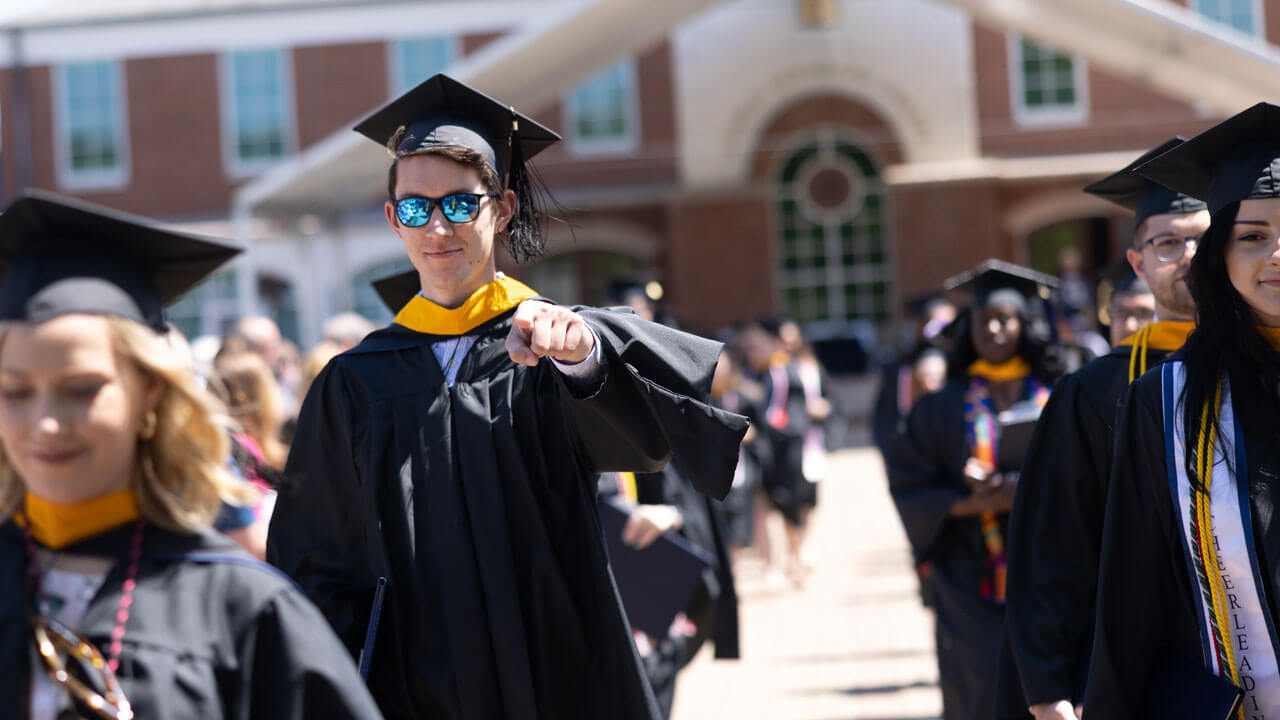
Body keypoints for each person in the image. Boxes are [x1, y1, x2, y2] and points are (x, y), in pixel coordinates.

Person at [266, 73, 748, 720]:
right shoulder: (355, 382)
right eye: (416, 208)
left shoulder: (556, 344)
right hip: (415, 685)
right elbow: (316, 556)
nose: (438, 226)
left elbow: (644, 448)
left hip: (557, 670)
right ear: (393, 219)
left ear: (504, 208)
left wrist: (584, 365)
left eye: (461, 204)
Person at [0, 191, 382, 719]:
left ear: (151, 393)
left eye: (82, 388)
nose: (44, 423)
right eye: (14, 391)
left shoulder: (242, 608)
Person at [999, 139, 1210, 720]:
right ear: (1138, 264)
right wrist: (1047, 690)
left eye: (1205, 237)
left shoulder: (1262, 371)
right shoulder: (1092, 394)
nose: (1190, 255)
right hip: (1139, 672)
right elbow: (1055, 545)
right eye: (1168, 242)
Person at [1085, 103, 1280, 718]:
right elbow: (1132, 596)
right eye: (1253, 236)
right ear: (1219, 254)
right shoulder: (1166, 404)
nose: (1277, 254)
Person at [887, 260, 1063, 720]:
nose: (995, 330)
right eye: (984, 321)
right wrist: (968, 502)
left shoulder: (1063, 395)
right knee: (979, 681)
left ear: (1026, 325)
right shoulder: (941, 407)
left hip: (1054, 566)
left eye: (1006, 319)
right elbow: (909, 480)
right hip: (969, 570)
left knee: (1055, 686)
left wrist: (1023, 490)